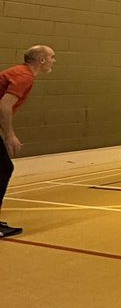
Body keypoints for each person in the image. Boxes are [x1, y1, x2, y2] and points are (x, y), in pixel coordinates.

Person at [0, 45, 56, 238]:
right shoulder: (24, 76)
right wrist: (10, 135)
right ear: (41, 60)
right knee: (3, 169)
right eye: (51, 57)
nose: (53, 61)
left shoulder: (19, 73)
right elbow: (5, 106)